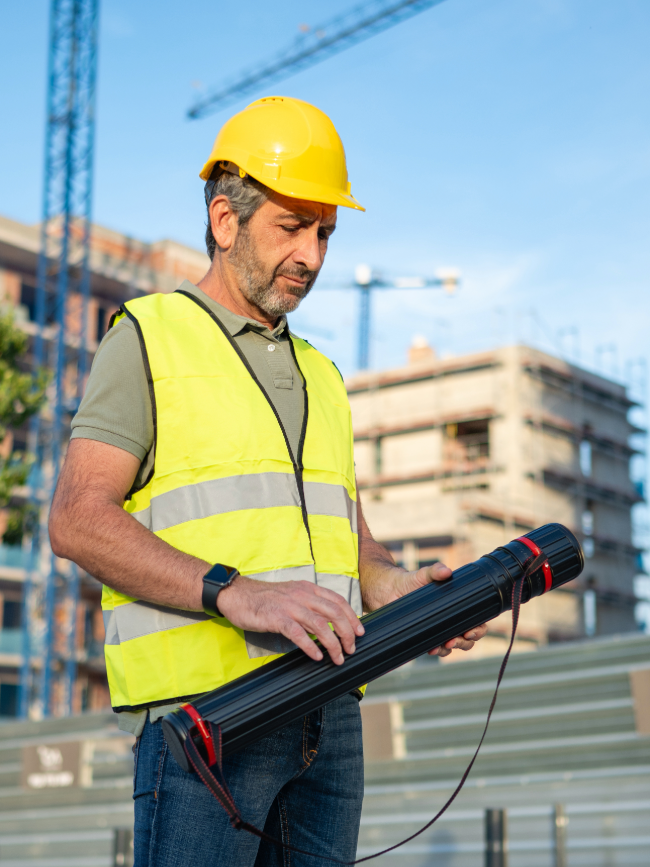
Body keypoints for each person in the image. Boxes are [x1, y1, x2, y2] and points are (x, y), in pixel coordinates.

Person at [49, 96, 487, 867]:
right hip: (211, 722)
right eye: (292, 226)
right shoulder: (149, 336)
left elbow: (345, 541)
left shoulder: (321, 373)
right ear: (225, 220)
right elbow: (79, 518)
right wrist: (236, 590)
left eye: (324, 232)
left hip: (330, 719)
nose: (312, 256)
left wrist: (399, 588)